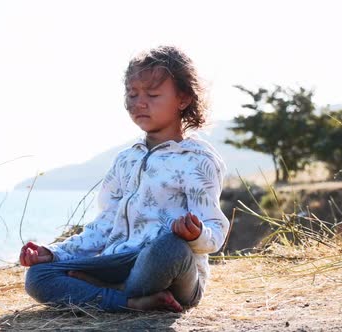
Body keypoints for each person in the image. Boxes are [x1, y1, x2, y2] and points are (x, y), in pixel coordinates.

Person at [19, 45, 229, 312]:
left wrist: (196, 234)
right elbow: (104, 225)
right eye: (132, 94)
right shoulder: (125, 160)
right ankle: (128, 301)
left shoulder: (198, 159)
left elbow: (216, 232)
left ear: (183, 99)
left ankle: (102, 291)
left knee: (169, 247)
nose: (139, 102)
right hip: (118, 262)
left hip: (170, 270)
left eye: (152, 94)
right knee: (39, 276)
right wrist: (54, 253)